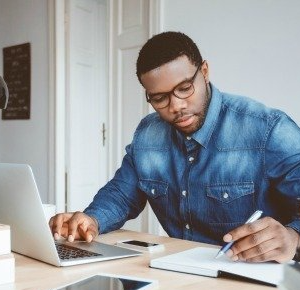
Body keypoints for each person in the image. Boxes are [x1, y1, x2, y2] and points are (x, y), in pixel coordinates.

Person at [50, 31, 300, 263]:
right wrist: (91, 219)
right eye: (159, 98)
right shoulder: (147, 134)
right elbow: (122, 194)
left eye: (184, 88)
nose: (176, 106)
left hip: (250, 276)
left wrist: (293, 238)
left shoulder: (268, 129)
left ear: (204, 71)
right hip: (179, 271)